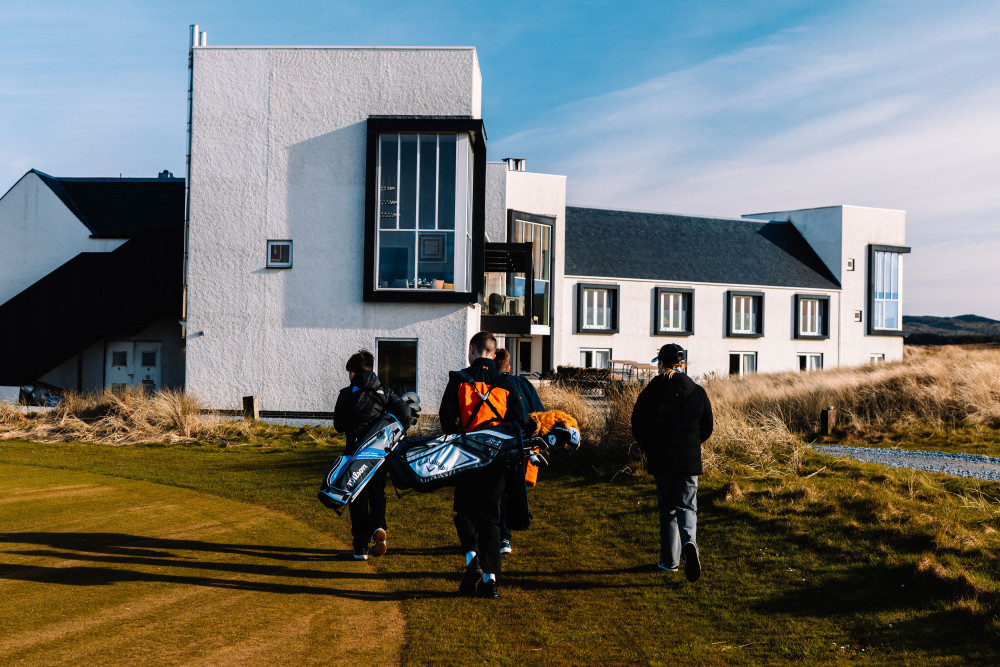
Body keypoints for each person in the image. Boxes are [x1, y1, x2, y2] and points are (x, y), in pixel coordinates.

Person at [439, 332, 526, 598]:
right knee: (491, 518)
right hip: (497, 458)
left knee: (464, 513)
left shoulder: (459, 379)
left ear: (472, 350)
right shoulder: (507, 381)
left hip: (467, 455)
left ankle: (472, 560)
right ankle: (491, 581)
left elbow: (446, 419)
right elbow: (519, 420)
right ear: (494, 353)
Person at [630, 343, 713, 582]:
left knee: (667, 510)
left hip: (661, 457)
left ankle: (670, 562)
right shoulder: (697, 391)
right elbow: (707, 427)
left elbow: (637, 424)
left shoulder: (651, 391)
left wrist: (649, 446)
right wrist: (692, 445)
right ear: (682, 365)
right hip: (688, 459)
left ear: (660, 364)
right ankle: (689, 543)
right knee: (687, 506)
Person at [333, 349, 412, 561]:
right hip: (379, 455)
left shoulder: (346, 395)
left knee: (357, 497)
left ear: (353, 373)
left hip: (355, 454)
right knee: (378, 493)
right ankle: (378, 527)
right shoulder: (385, 392)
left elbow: (338, 425)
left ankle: (361, 547)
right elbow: (406, 414)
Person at [494, 348, 544, 555]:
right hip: (519, 445)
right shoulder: (522, 384)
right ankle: (503, 536)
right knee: (510, 491)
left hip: (492, 444)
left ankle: (499, 535)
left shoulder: (486, 385)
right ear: (508, 367)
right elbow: (538, 415)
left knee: (496, 492)